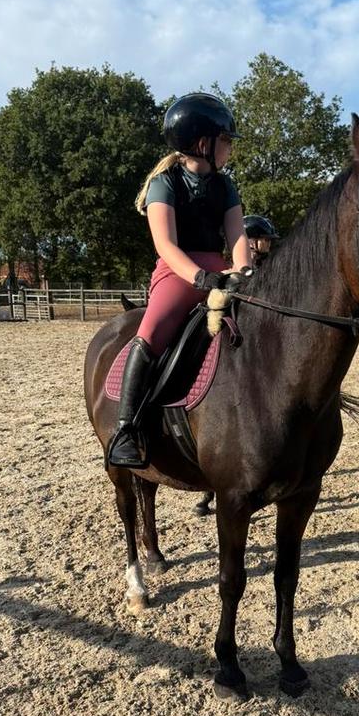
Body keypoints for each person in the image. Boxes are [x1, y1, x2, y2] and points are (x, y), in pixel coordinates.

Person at [107, 93, 253, 468]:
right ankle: (126, 430)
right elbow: (166, 244)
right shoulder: (165, 183)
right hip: (178, 272)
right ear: (203, 143)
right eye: (226, 140)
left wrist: (241, 271)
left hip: (219, 271)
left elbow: (237, 236)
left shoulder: (225, 186)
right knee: (152, 330)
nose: (230, 148)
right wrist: (199, 276)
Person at [193, 212, 280, 516]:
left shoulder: (271, 270)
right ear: (250, 242)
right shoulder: (229, 269)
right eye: (264, 240)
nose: (268, 245)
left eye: (268, 241)